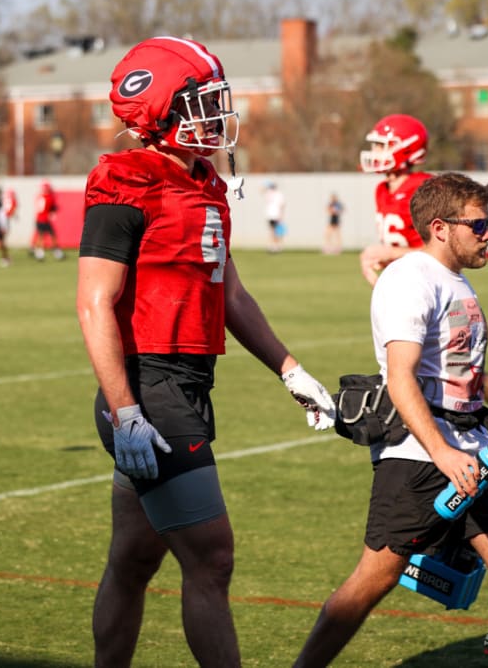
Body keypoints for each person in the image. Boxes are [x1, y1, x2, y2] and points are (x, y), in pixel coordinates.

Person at [76, 35, 335, 668]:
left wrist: (289, 368)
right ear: (160, 113)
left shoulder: (205, 183)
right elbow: (94, 303)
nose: (216, 116)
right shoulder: (125, 180)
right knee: (213, 558)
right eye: (201, 103)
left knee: (133, 560)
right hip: (149, 388)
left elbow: (233, 294)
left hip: (187, 382)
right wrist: (125, 408)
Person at [293, 172, 488, 668]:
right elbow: (401, 377)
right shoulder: (410, 278)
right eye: (479, 223)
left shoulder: (453, 277)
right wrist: (442, 452)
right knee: (373, 580)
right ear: (441, 227)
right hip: (420, 457)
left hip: (471, 451)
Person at [359, 114, 488, 473]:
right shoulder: (381, 190)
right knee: (422, 370)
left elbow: (436, 247)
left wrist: (389, 254)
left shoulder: (426, 188)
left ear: (407, 149)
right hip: (408, 290)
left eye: (383, 145)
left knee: (463, 376)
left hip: (437, 290)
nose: (376, 152)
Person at [30, 181, 64, 261]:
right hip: (44, 219)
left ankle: (39, 253)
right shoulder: (48, 197)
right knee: (51, 235)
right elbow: (52, 208)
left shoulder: (39, 196)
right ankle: (56, 252)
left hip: (39, 219)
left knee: (41, 236)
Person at [264, 180, 286, 252]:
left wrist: (281, 215)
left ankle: (276, 246)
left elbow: (282, 205)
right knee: (272, 231)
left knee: (277, 231)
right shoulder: (269, 193)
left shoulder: (279, 194)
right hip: (270, 215)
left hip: (276, 215)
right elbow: (261, 191)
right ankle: (273, 245)